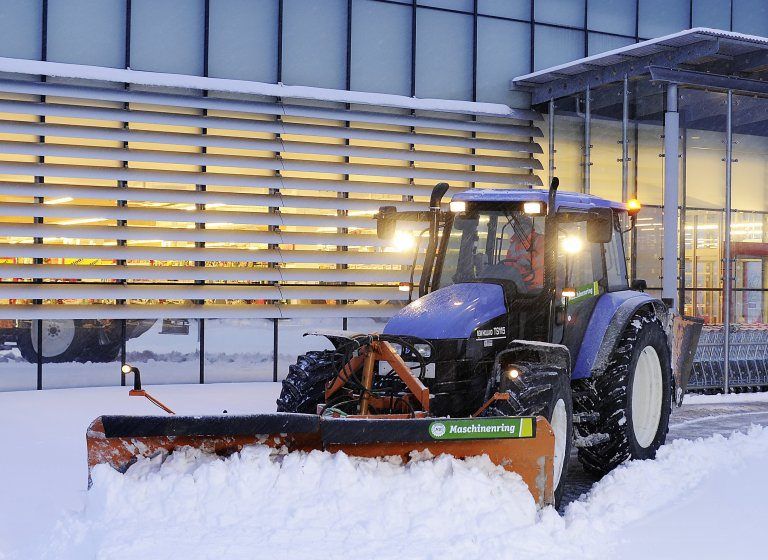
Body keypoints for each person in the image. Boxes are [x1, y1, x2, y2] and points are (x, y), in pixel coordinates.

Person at [504, 215, 544, 291]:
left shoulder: (540, 240)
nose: (521, 230)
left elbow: (542, 259)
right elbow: (508, 262)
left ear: (531, 228)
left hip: (536, 286)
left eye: (524, 227)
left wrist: (528, 262)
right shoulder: (514, 243)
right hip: (518, 283)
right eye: (518, 227)